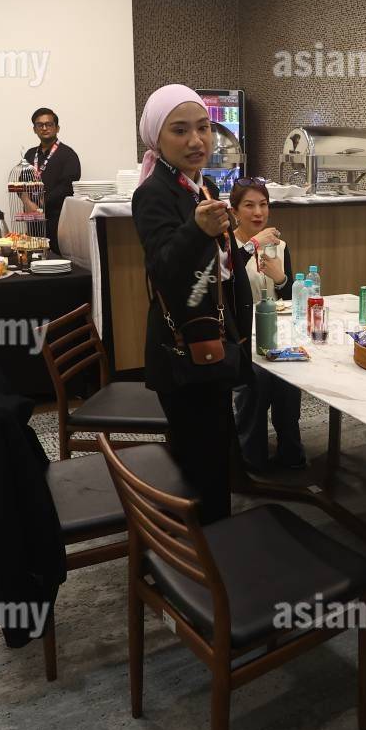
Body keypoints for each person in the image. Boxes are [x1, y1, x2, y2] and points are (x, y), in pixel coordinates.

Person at [131, 84, 250, 522]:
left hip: (212, 339)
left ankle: (206, 536)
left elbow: (217, 266)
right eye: (180, 130)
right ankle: (204, 549)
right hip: (182, 348)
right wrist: (197, 230)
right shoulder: (154, 193)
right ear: (157, 138)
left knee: (213, 450)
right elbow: (163, 269)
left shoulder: (204, 185)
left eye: (203, 128)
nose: (197, 140)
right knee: (201, 464)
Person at [229, 177, 308, 471]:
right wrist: (253, 245)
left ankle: (291, 453)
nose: (258, 212)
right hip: (242, 336)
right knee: (257, 381)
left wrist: (282, 279)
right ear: (234, 211)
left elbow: (290, 299)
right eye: (249, 206)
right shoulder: (226, 247)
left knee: (289, 382)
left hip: (277, 332)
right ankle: (252, 460)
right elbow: (225, 285)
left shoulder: (279, 246)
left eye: (263, 205)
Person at [25, 107, 82, 253]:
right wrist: (27, 202)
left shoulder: (68, 155)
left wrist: (43, 203)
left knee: (58, 257)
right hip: (34, 219)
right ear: (34, 129)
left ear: (57, 128)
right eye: (40, 125)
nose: (44, 128)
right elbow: (21, 183)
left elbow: (68, 186)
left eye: (49, 124)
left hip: (58, 218)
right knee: (34, 255)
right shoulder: (30, 154)